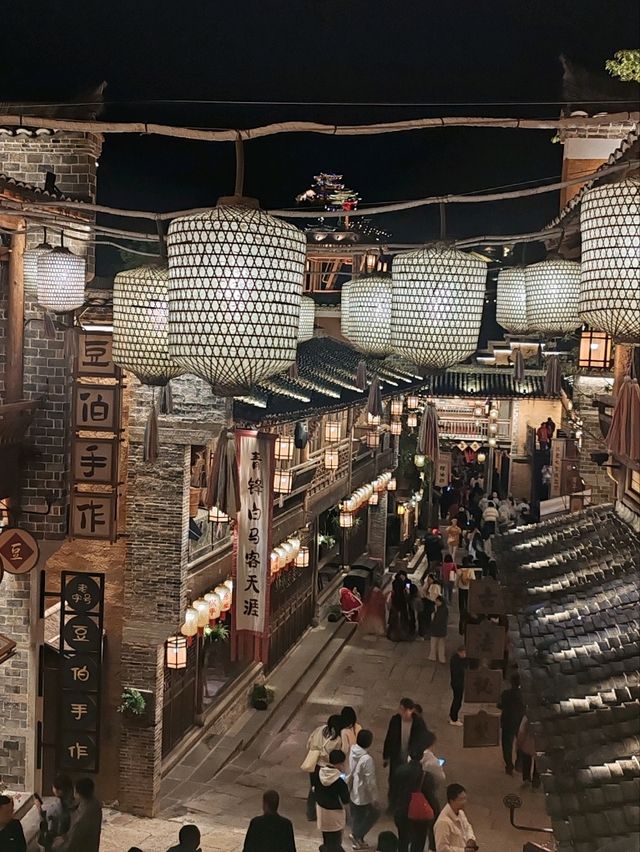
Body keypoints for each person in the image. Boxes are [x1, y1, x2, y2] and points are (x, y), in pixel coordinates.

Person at [383, 699, 428, 808]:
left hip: (412, 759)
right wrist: (386, 756)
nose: (401, 712)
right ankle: (392, 804)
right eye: (400, 709)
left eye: (404, 710)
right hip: (396, 756)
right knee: (393, 780)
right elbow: (389, 738)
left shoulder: (418, 723)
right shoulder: (395, 720)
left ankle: (405, 805)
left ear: (411, 710)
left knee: (408, 783)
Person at [304, 715, 345, 820]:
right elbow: (335, 756)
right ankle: (325, 813)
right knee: (326, 790)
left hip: (314, 765)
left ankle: (310, 812)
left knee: (313, 788)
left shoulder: (319, 729)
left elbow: (309, 743)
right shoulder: (337, 740)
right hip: (326, 767)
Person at [393, 750, 435, 852]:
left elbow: (394, 791)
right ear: (421, 757)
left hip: (401, 810)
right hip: (418, 812)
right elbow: (430, 796)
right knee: (419, 840)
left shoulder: (399, 770)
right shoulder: (426, 776)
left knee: (403, 839)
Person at [348, 729, 380, 849]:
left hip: (353, 790)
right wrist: (375, 798)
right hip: (363, 794)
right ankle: (357, 835)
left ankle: (358, 839)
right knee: (374, 813)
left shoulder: (353, 750)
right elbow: (370, 781)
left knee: (357, 817)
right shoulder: (367, 759)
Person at [315, 749, 350, 852]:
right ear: (340, 763)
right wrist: (348, 816)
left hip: (321, 811)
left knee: (326, 839)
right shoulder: (339, 781)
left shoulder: (319, 772)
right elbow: (345, 800)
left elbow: (314, 789)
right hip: (335, 815)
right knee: (336, 842)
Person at [53, 778, 102, 852]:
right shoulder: (95, 803)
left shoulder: (81, 819)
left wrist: (53, 847)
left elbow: (70, 845)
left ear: (78, 794)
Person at [433, 784, 477, 852]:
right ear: (452, 800)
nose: (464, 802)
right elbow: (442, 849)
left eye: (465, 798)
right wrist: (463, 851)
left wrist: (470, 839)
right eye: (461, 799)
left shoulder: (461, 813)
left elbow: (468, 827)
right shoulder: (443, 822)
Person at [36, 774, 74, 850]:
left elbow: (48, 827)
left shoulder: (55, 808)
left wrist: (39, 809)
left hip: (55, 843)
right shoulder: (73, 804)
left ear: (58, 791)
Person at [497, 673, 524, 776]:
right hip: (520, 721)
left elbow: (500, 705)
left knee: (507, 745)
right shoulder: (524, 694)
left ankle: (509, 765)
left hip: (508, 721)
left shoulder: (506, 693)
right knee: (521, 742)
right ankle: (519, 762)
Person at [388, 573, 414, 642]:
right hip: (401, 601)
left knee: (397, 617)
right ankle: (401, 633)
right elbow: (407, 591)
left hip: (398, 601)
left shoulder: (406, 581)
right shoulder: (400, 582)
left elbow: (407, 590)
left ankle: (395, 633)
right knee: (401, 617)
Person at [516, 716, 540, 788]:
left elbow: (522, 731)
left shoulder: (527, 717)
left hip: (528, 742)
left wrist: (519, 743)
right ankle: (536, 782)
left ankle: (526, 779)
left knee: (526, 760)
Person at [449, 648, 467, 727]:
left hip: (457, 683)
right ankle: (454, 719)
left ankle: (453, 715)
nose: (465, 655)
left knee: (456, 700)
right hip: (457, 684)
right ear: (459, 652)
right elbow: (458, 672)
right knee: (457, 701)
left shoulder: (456, 659)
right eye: (463, 653)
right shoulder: (455, 661)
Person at [429, 596, 448, 664]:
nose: (436, 602)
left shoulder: (439, 610)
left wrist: (434, 614)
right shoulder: (445, 609)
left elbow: (436, 619)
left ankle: (433, 656)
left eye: (437, 601)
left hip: (436, 629)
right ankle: (441, 658)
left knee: (434, 644)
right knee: (440, 645)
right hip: (442, 630)